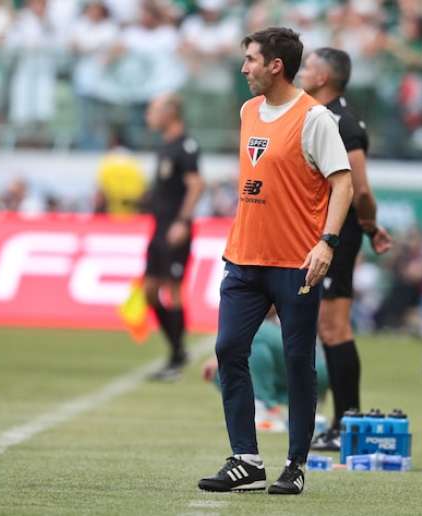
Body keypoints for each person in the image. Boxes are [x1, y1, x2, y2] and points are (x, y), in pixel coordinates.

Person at [198, 27, 353, 495]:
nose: (244, 68)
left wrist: (326, 243)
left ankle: (295, 463)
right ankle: (245, 458)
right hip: (243, 258)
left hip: (295, 263)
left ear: (275, 66)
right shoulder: (248, 111)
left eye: (250, 60)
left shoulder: (315, 119)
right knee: (228, 350)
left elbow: (342, 183)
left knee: (297, 359)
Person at [298, 46, 393, 452]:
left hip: (339, 232)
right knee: (328, 327)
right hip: (325, 229)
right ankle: (343, 422)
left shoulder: (343, 123)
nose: (302, 72)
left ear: (323, 78)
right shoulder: (319, 116)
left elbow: (360, 188)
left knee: (335, 326)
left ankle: (347, 423)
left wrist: (369, 225)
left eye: (308, 66)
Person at [142, 92, 204, 382]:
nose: (149, 116)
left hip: (175, 228)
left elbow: (196, 185)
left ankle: (176, 357)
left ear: (171, 113)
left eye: (154, 110)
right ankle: (178, 351)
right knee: (150, 291)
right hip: (159, 227)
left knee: (174, 289)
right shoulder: (164, 146)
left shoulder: (185, 146)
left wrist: (183, 221)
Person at [201, 308, 330, 433]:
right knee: (223, 367)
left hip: (313, 362)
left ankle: (266, 408)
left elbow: (267, 305)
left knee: (251, 329)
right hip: (290, 363)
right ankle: (281, 411)